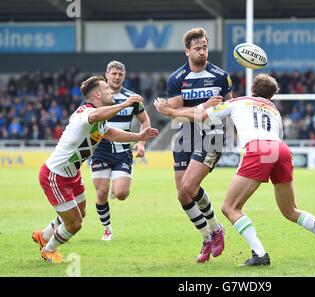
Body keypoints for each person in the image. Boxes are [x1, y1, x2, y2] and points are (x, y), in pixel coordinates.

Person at [155, 74, 315, 266]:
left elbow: (202, 115)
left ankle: (260, 254)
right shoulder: (274, 110)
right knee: (290, 210)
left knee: (230, 208)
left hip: (258, 148)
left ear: (252, 89)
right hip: (281, 150)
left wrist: (171, 112)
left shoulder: (238, 102)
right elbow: (277, 136)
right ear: (271, 96)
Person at [32, 76, 159, 264]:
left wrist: (138, 136)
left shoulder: (100, 119)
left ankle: (44, 235)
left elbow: (111, 133)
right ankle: (48, 250)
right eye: (107, 88)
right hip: (55, 175)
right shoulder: (86, 112)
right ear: (97, 94)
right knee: (75, 223)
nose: (111, 91)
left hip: (72, 174)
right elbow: (95, 117)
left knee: (80, 212)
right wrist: (124, 104)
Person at [165, 27, 232, 263]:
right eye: (197, 49)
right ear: (187, 51)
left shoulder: (221, 76)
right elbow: (176, 116)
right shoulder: (176, 78)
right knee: (183, 194)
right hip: (184, 133)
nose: (203, 52)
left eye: (205, 47)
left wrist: (194, 111)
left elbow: (228, 108)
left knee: (191, 185)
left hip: (212, 134)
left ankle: (216, 229)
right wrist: (203, 108)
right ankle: (206, 237)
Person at [90, 61, 151, 241]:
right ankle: (107, 229)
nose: (117, 77)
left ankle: (117, 190)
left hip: (123, 151)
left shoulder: (132, 98)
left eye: (120, 74)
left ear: (124, 77)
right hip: (100, 150)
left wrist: (141, 143)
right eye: (114, 74)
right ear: (106, 75)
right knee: (101, 193)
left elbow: (145, 121)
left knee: (121, 193)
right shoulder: (96, 97)